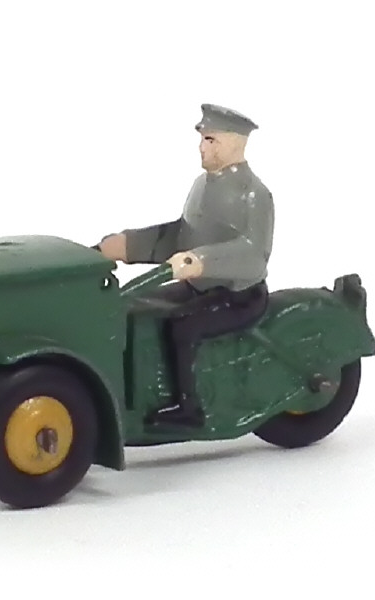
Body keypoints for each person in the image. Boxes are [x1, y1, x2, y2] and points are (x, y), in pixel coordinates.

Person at [98, 104, 275, 428]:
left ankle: (189, 407)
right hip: (198, 287)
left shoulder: (254, 195)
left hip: (239, 296)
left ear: (234, 143)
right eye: (203, 139)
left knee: (183, 327)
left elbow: (253, 255)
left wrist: (200, 261)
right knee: (132, 305)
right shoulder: (202, 185)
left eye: (210, 140)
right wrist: (128, 245)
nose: (202, 147)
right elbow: (183, 234)